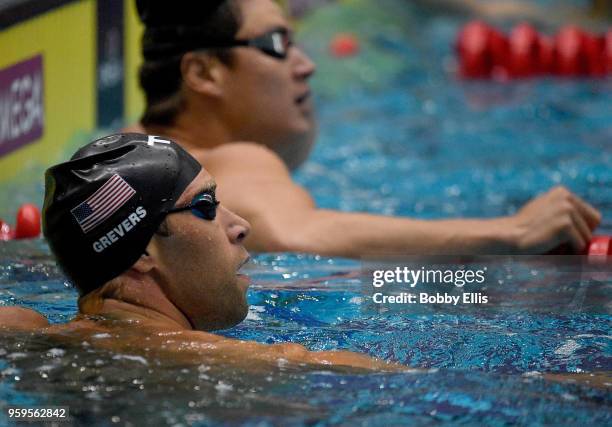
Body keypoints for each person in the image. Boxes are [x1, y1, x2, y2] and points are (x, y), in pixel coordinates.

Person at [123, 0, 601, 257]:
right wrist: (512, 232)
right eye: (277, 43)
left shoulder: (126, 150)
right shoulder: (235, 163)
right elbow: (298, 234)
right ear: (204, 73)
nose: (306, 64)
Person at [0, 133, 404, 372]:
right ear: (141, 251)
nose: (241, 225)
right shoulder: (238, 364)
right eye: (206, 207)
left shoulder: (26, 331)